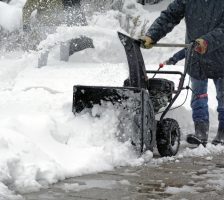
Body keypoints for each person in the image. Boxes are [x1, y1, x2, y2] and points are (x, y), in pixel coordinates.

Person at [141, 0, 224, 146]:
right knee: (198, 95)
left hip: (221, 55)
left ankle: (223, 132)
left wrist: (207, 41)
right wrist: (152, 35)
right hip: (196, 55)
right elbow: (170, 16)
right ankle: (201, 131)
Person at [23, 0, 93, 67]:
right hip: (45, 25)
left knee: (65, 43)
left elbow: (70, 5)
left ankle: (64, 64)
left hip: (60, 25)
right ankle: (41, 66)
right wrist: (25, 23)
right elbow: (27, 8)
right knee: (45, 46)